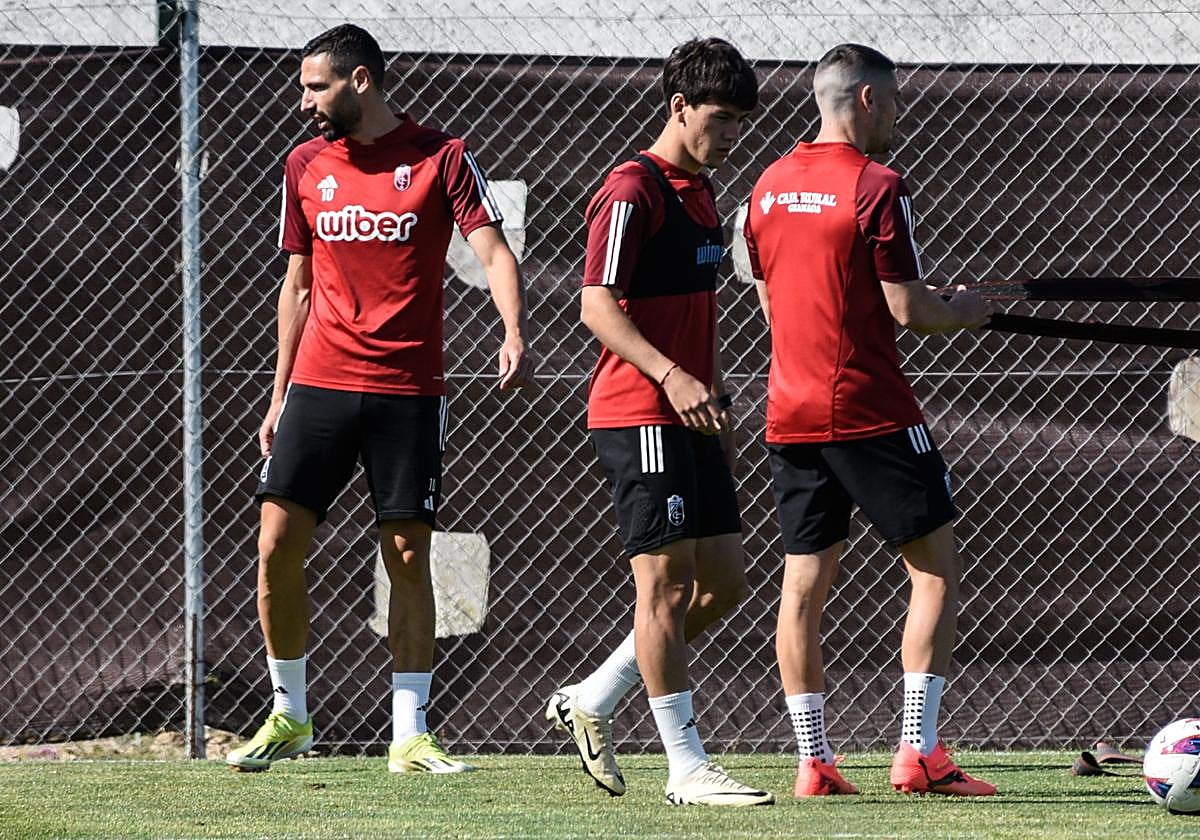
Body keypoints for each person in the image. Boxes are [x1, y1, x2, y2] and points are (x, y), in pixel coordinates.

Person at [226, 23, 532, 774]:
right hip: (318, 387)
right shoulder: (305, 164)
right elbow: (297, 287)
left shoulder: (442, 156)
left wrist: (514, 331)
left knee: (407, 555)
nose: (304, 103)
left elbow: (494, 251)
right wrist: (278, 395)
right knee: (275, 544)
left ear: (359, 81)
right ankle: (289, 715)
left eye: (316, 87)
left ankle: (410, 735)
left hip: (407, 391)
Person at [743, 43, 998, 798]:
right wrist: (967, 310)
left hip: (789, 411)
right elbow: (909, 308)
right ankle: (919, 753)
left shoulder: (766, 185)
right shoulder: (878, 185)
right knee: (935, 570)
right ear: (865, 100)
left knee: (803, 584)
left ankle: (814, 762)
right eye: (891, 104)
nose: (896, 118)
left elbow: (771, 303)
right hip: (869, 408)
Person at [544, 38, 772, 807]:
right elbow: (595, 305)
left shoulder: (702, 190)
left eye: (741, 121)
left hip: (694, 414)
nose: (732, 134)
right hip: (640, 411)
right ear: (679, 107)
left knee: (725, 583)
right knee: (666, 588)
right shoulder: (630, 189)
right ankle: (685, 767)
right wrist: (672, 377)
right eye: (720, 117)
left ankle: (595, 697)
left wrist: (714, 400)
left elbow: (692, 317)